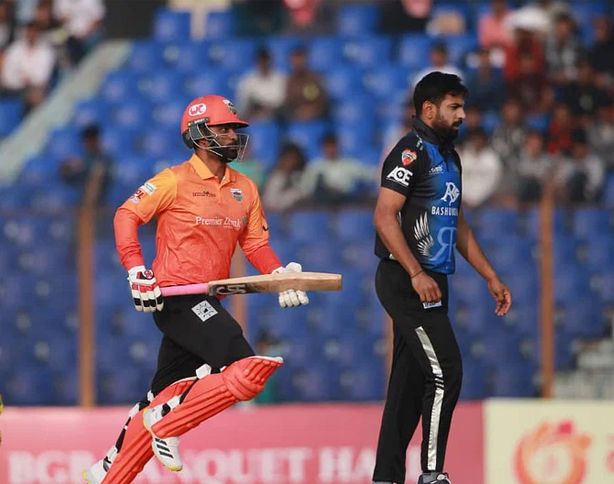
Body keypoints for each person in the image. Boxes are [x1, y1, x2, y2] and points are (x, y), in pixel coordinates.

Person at [83, 95, 309, 484]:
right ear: (199, 135)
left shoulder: (245, 188)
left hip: (208, 298)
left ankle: (109, 470)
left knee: (162, 392)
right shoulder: (172, 180)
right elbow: (125, 215)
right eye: (224, 128)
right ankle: (166, 422)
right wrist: (136, 269)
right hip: (174, 297)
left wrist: (278, 273)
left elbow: (255, 245)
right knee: (246, 368)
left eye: (235, 129)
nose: (233, 135)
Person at [372, 72, 512, 484]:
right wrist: (416, 273)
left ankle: (385, 478)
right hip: (406, 279)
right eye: (454, 107)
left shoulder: (450, 156)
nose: (463, 115)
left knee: (409, 382)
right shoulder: (409, 152)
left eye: (462, 106)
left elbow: (458, 222)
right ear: (429, 109)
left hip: (433, 280)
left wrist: (490, 276)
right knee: (446, 371)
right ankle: (432, 474)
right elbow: (384, 216)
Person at [301, 133, 377, 205]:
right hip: (322, 204)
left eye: (333, 146)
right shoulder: (315, 166)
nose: (330, 150)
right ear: (322, 148)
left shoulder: (350, 164)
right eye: (327, 147)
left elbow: (369, 175)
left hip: (346, 202)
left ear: (338, 146)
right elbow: (306, 188)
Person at [1, 20, 56, 109]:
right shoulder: (15, 49)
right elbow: (7, 74)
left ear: (38, 33)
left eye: (34, 32)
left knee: (36, 94)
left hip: (33, 89)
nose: (31, 35)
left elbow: (41, 77)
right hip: (12, 88)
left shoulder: (46, 52)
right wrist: (22, 80)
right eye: (29, 32)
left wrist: (25, 78)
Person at [58, 124, 114, 205]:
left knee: (97, 174)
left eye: (91, 140)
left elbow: (108, 177)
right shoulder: (85, 158)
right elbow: (69, 177)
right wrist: (68, 167)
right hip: (83, 196)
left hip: (102, 197)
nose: (88, 143)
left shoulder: (106, 158)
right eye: (87, 140)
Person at [236, 48, 287, 120]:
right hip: (254, 115)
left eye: (266, 61)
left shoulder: (281, 78)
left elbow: (282, 101)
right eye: (261, 61)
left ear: (270, 61)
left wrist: (267, 110)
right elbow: (243, 104)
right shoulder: (248, 81)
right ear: (257, 62)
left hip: (276, 115)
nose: (264, 64)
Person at [459, 126, 502, 208]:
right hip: (462, 201)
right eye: (474, 139)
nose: (477, 142)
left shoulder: (492, 159)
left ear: (484, 140)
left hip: (486, 202)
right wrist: (464, 198)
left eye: (479, 139)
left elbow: (493, 183)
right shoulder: (462, 156)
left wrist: (479, 200)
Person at [282, 46, 328, 121]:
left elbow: (322, 99)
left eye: (300, 60)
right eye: (294, 61)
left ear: (305, 61)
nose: (297, 64)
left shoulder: (315, 78)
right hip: (296, 115)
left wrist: (312, 109)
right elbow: (288, 102)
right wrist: (299, 111)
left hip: (315, 114)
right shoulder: (289, 81)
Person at [262, 142, 308, 212]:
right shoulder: (276, 176)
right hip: (272, 214)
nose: (290, 162)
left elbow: (303, 194)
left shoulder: (300, 177)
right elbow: (269, 202)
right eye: (287, 158)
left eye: (293, 159)